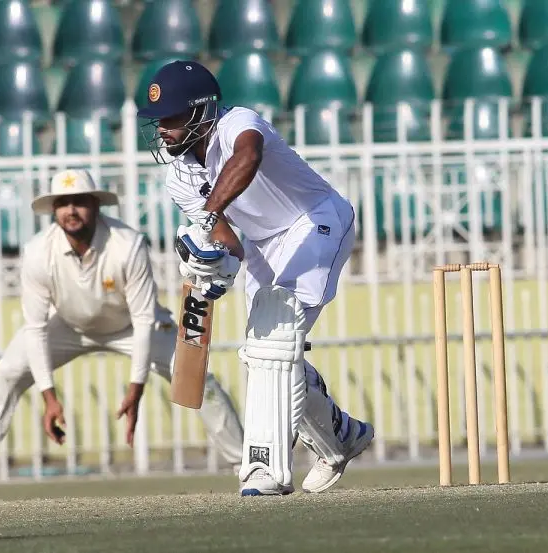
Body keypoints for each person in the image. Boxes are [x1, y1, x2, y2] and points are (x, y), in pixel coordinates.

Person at [137, 61, 375, 496]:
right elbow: (231, 244)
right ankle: (340, 436)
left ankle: (266, 470)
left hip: (314, 219)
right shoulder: (179, 177)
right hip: (264, 243)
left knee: (274, 342)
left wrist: (206, 220)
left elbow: (248, 157)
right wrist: (214, 267)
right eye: (159, 121)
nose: (163, 130)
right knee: (259, 354)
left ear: (200, 110)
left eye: (171, 118)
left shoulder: (238, 123)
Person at [0, 169, 244, 502]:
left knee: (197, 377)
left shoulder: (127, 244)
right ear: (54, 210)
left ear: (96, 205)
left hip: (130, 326)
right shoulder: (38, 251)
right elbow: (36, 328)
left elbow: (143, 319)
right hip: (67, 326)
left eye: (80, 202)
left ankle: (245, 468)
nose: (71, 210)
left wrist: (136, 388)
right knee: (5, 377)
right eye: (63, 203)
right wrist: (49, 397)